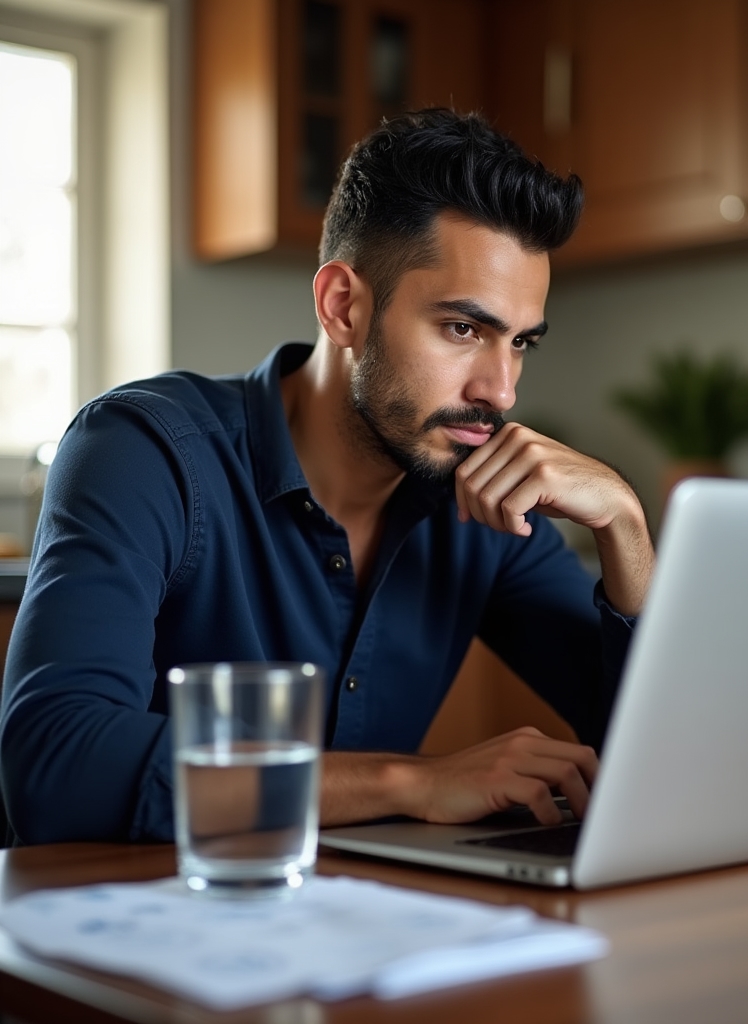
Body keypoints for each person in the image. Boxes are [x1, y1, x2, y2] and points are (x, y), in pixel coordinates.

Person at [0, 109, 654, 845]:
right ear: (344, 307)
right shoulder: (144, 450)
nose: (500, 391)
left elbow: (659, 759)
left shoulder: (483, 495)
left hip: (367, 928)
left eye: (520, 342)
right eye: (464, 329)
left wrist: (623, 524)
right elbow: (55, 768)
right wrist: (412, 781)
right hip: (125, 927)